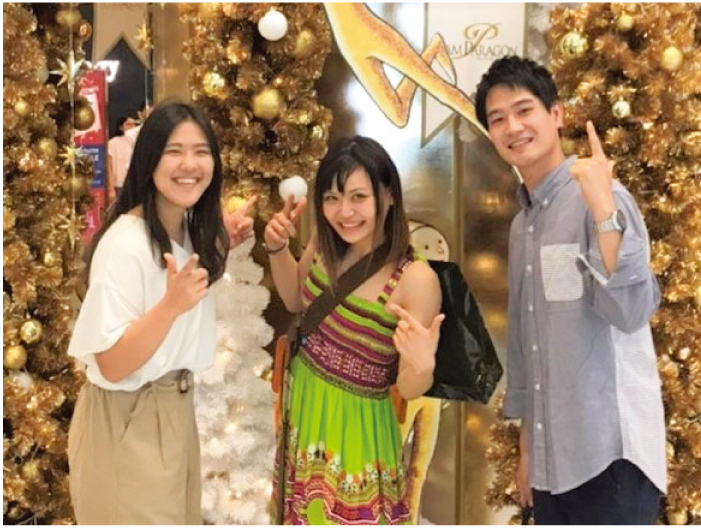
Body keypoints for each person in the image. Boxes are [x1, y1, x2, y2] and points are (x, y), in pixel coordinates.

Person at [475, 56, 666, 524]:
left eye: (524, 110)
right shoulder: (523, 225)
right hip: (552, 465)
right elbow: (529, 348)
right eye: (497, 119)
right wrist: (528, 453)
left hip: (611, 459)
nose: (513, 127)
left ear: (556, 114)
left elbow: (631, 311)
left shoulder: (604, 197)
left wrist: (603, 210)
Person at [67, 101, 254, 525]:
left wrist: (220, 242)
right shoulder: (125, 243)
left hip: (171, 413)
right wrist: (169, 308)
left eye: (201, 151)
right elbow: (111, 363)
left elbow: (179, 281)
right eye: (174, 151)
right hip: (129, 417)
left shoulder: (183, 228)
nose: (190, 164)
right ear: (149, 159)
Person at [265, 136, 444, 524]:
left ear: (389, 195)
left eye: (358, 197)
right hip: (304, 409)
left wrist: (423, 365)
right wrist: (277, 249)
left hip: (358, 431)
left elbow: (410, 388)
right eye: (331, 198)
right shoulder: (326, 242)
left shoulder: (416, 279)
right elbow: (296, 299)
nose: (344, 212)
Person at [106, 115, 137, 203]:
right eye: (129, 124)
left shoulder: (138, 142)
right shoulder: (112, 143)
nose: (132, 127)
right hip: (119, 185)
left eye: (134, 124)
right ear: (121, 127)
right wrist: (111, 189)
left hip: (135, 185)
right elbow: (109, 168)